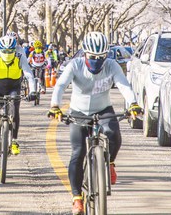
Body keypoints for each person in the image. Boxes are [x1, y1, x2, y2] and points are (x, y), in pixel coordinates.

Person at [47, 32, 142, 215]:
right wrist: (55, 106)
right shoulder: (75, 65)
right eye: (93, 57)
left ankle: (111, 162)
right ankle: (76, 199)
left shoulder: (111, 65)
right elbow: (60, 85)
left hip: (103, 109)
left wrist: (133, 104)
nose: (97, 61)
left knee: (114, 135)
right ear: (85, 53)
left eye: (101, 57)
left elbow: (124, 86)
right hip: (78, 112)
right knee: (77, 153)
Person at [0, 35, 36, 160]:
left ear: (15, 50)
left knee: (15, 112)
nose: (7, 54)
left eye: (10, 51)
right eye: (5, 51)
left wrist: (33, 92)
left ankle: (14, 141)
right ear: (0, 50)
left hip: (14, 88)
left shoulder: (20, 58)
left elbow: (29, 75)